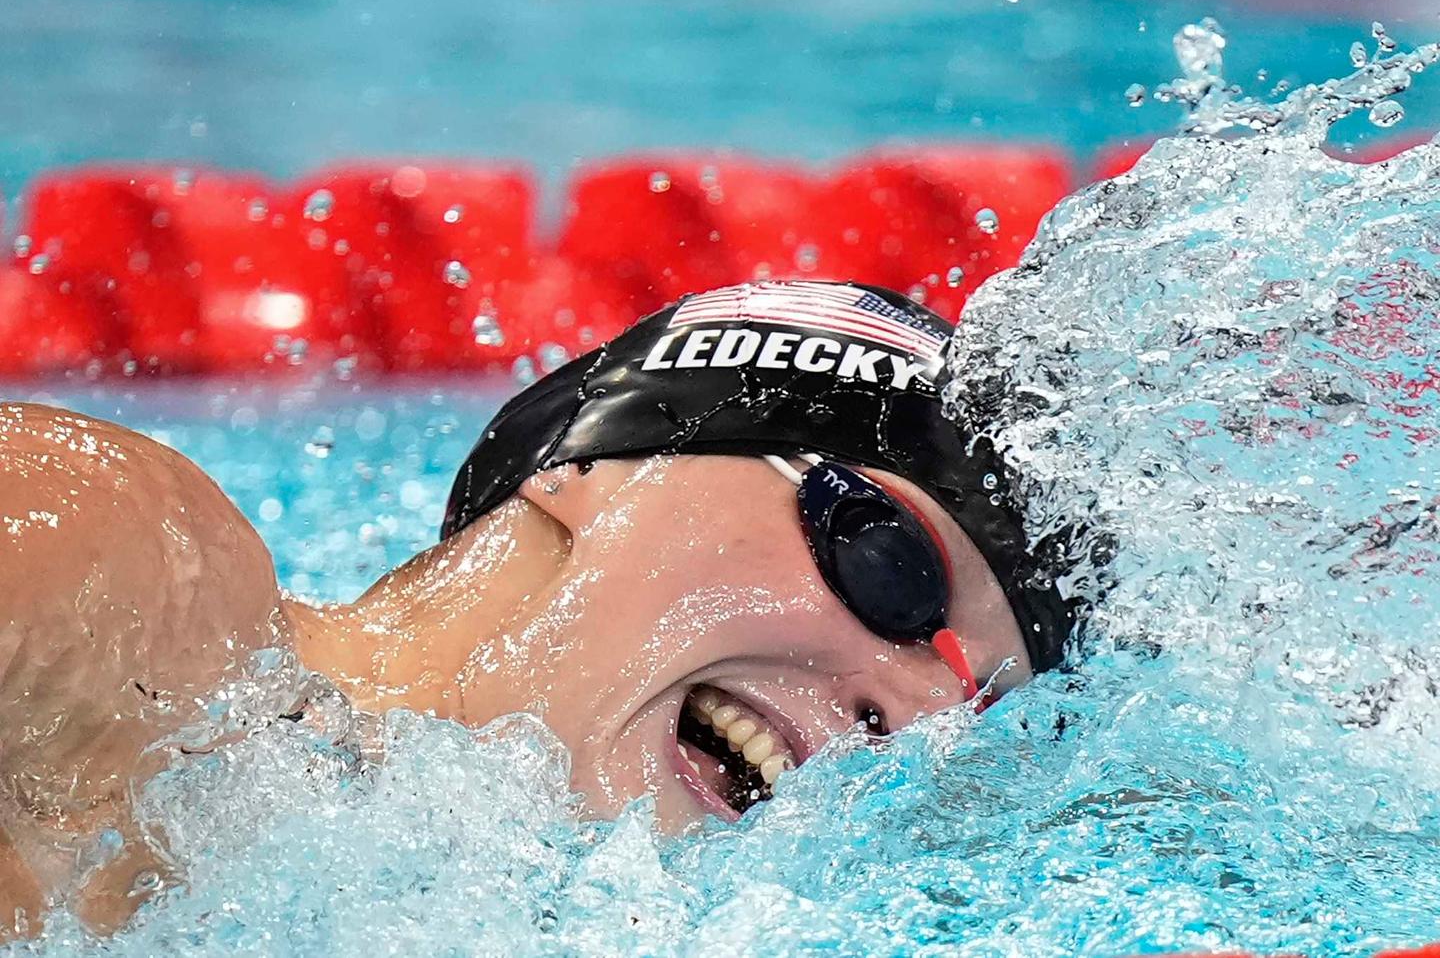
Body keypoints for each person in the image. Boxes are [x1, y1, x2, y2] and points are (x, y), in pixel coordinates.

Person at [0, 280, 1081, 936]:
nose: (919, 719)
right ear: (595, 464)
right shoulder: (138, 578)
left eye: (976, 714)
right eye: (897, 570)